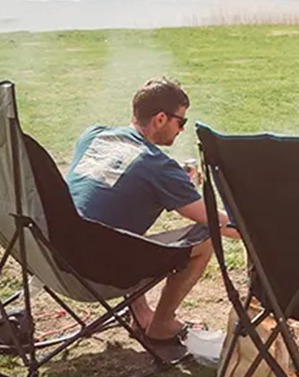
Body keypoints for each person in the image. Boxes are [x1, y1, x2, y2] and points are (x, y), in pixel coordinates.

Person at [66, 77, 240, 345]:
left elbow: (114, 188)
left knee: (123, 227)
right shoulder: (157, 166)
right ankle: (162, 325)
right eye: (180, 122)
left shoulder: (94, 134)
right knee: (205, 240)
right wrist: (256, 231)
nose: (181, 129)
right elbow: (216, 223)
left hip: (55, 255)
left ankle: (142, 314)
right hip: (96, 271)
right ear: (160, 119)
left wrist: (177, 186)